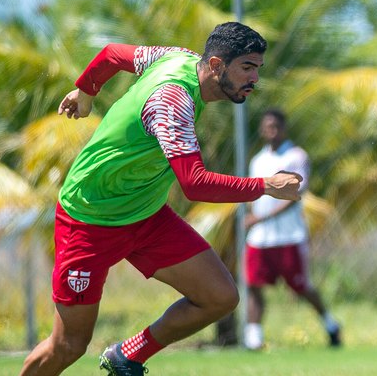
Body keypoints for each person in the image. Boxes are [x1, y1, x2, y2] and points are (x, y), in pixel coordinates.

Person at [20, 22, 303, 376]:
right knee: (68, 346)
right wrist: (265, 186)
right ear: (216, 65)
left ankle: (127, 355)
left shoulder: (176, 57)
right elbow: (195, 184)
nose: (254, 79)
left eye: (257, 69)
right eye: (247, 67)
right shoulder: (173, 102)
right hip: (90, 220)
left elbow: (111, 55)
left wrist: (85, 92)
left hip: (145, 216)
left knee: (220, 297)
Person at [243, 108, 341, 351]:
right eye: (267, 126)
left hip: (288, 236)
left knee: (301, 287)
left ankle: (331, 325)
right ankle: (254, 339)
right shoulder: (258, 160)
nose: (271, 131)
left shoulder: (296, 156)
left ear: (284, 129)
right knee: (253, 284)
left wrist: (262, 217)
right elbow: (253, 192)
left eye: (275, 126)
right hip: (260, 238)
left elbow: (295, 193)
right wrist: (251, 215)